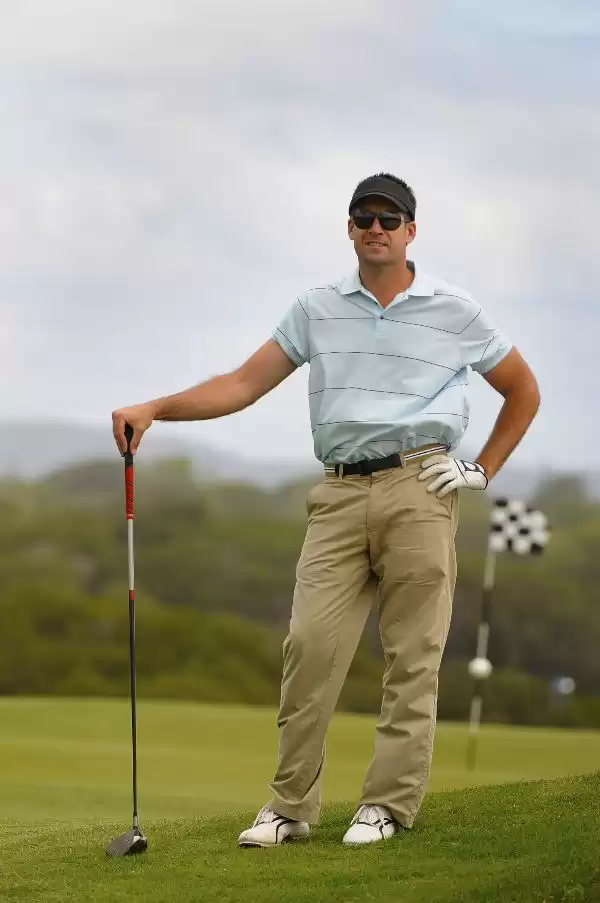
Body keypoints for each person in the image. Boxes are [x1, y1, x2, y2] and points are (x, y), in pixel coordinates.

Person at [112, 172, 540, 847]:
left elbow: (522, 390)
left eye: (389, 218)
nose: (377, 228)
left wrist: (481, 468)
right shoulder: (315, 307)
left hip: (420, 487)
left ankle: (387, 806)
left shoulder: (455, 309)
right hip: (338, 491)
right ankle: (289, 807)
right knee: (310, 646)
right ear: (349, 227)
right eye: (364, 216)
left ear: (411, 231)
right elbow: (242, 383)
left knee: (412, 655)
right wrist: (156, 409)